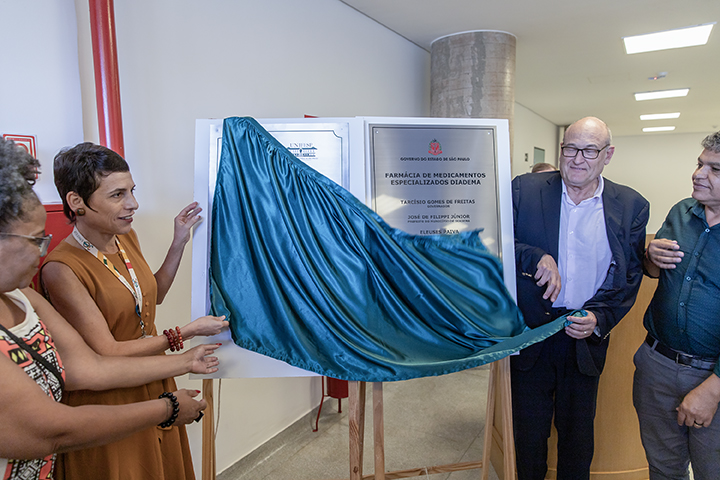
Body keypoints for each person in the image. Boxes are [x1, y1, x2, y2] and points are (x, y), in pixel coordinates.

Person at [0, 137, 220, 479]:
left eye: (132, 191)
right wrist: (182, 338)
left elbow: (149, 299)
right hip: (111, 398)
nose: (132, 204)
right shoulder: (61, 269)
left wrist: (178, 243)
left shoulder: (123, 240)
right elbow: (103, 355)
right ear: (77, 201)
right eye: (117, 195)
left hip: (148, 374)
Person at [511, 116, 649, 480]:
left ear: (608, 155)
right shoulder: (526, 189)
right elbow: (496, 244)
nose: (577, 158)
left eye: (590, 150)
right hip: (530, 335)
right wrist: (535, 256)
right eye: (570, 148)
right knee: (527, 439)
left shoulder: (631, 205)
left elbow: (629, 274)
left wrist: (600, 319)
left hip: (583, 338)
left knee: (577, 440)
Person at [634, 131, 720, 480]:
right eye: (699, 164)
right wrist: (650, 255)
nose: (698, 174)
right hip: (656, 364)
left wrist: (713, 389)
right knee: (663, 468)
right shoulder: (680, 212)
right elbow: (653, 271)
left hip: (712, 376)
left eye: (715, 169)